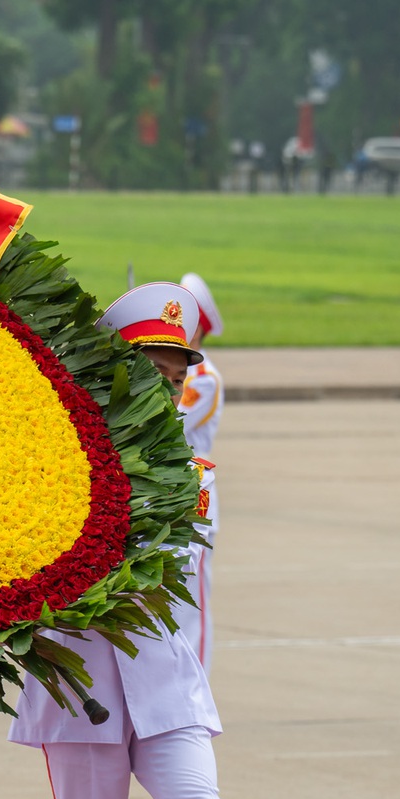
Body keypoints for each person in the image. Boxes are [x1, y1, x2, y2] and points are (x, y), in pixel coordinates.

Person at [10, 281, 329, 799]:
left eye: (176, 366)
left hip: (168, 683)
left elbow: (198, 593)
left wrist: (199, 679)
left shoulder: (194, 472)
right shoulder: (50, 461)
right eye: (148, 364)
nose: (164, 381)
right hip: (78, 689)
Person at [177, 272, 224, 672]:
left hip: (196, 491)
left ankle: (199, 686)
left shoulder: (204, 379)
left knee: (194, 601)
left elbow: (174, 422)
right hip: (161, 487)